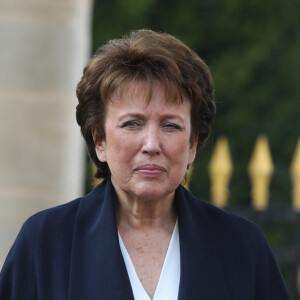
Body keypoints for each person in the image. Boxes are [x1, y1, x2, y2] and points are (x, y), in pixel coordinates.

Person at [0, 29, 290, 300]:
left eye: (171, 126)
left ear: (192, 144)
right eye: (133, 123)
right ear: (99, 140)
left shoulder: (241, 246)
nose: (152, 144)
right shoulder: (46, 242)